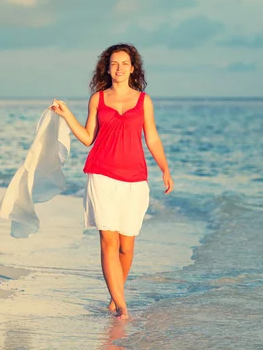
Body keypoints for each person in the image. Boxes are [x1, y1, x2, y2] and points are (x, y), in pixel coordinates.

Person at [50, 43, 174, 320]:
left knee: (126, 246)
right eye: (114, 63)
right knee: (108, 240)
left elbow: (151, 137)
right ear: (107, 67)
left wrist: (165, 169)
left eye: (124, 63)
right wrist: (67, 114)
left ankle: (114, 293)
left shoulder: (144, 101)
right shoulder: (98, 99)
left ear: (133, 68)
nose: (119, 68)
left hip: (134, 178)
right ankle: (121, 305)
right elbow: (87, 138)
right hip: (102, 174)